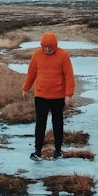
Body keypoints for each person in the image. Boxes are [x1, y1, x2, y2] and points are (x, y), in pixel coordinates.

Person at [22, 31, 75, 161]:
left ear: (55, 45)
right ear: (42, 46)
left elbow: (69, 75)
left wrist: (69, 94)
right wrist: (26, 87)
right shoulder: (37, 54)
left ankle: (58, 150)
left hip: (58, 96)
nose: (47, 49)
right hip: (41, 95)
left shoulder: (63, 55)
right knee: (40, 122)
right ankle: (37, 151)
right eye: (45, 47)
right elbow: (31, 73)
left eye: (50, 47)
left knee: (57, 122)